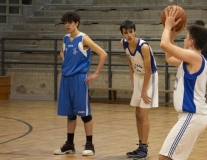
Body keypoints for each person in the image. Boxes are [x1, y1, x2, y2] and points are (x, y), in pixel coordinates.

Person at [53, 12, 107, 156]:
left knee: (84, 113)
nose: (67, 25)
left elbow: (103, 53)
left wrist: (95, 73)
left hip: (79, 79)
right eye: (65, 23)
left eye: (70, 22)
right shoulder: (65, 39)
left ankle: (90, 144)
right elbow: (62, 53)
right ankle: (69, 144)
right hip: (66, 78)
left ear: (77, 23)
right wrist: (66, 61)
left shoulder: (83, 38)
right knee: (70, 114)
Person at [159, 8, 207, 160]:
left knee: (165, 157)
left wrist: (168, 26)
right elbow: (169, 57)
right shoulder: (190, 59)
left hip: (192, 115)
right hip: (192, 116)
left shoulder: (195, 57)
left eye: (185, 38)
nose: (184, 40)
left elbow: (164, 45)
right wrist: (172, 34)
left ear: (191, 42)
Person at [119, 20, 159, 160]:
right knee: (137, 114)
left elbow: (148, 70)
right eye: (126, 32)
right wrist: (132, 78)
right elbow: (130, 61)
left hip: (149, 78)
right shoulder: (123, 43)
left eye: (131, 32)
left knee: (143, 114)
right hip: (138, 76)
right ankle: (140, 146)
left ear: (135, 31)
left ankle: (144, 148)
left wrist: (143, 90)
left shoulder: (144, 47)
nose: (129, 35)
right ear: (122, 34)